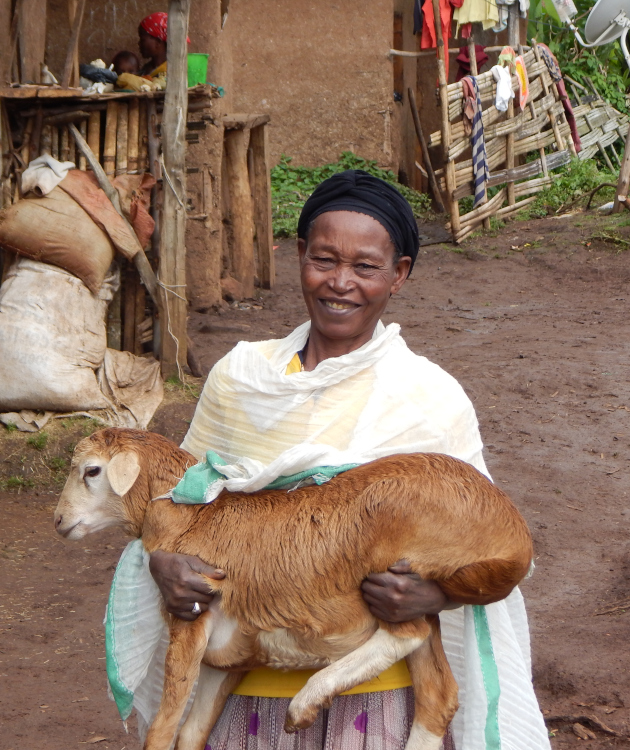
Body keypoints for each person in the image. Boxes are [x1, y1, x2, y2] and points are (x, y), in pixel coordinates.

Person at [144, 170, 550, 750]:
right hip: (241, 694)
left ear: (399, 275)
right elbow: (181, 505)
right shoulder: (241, 378)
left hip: (373, 700)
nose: (340, 283)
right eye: (324, 259)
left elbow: (495, 548)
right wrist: (163, 563)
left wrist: (438, 596)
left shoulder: (427, 398)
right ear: (299, 256)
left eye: (366, 267)